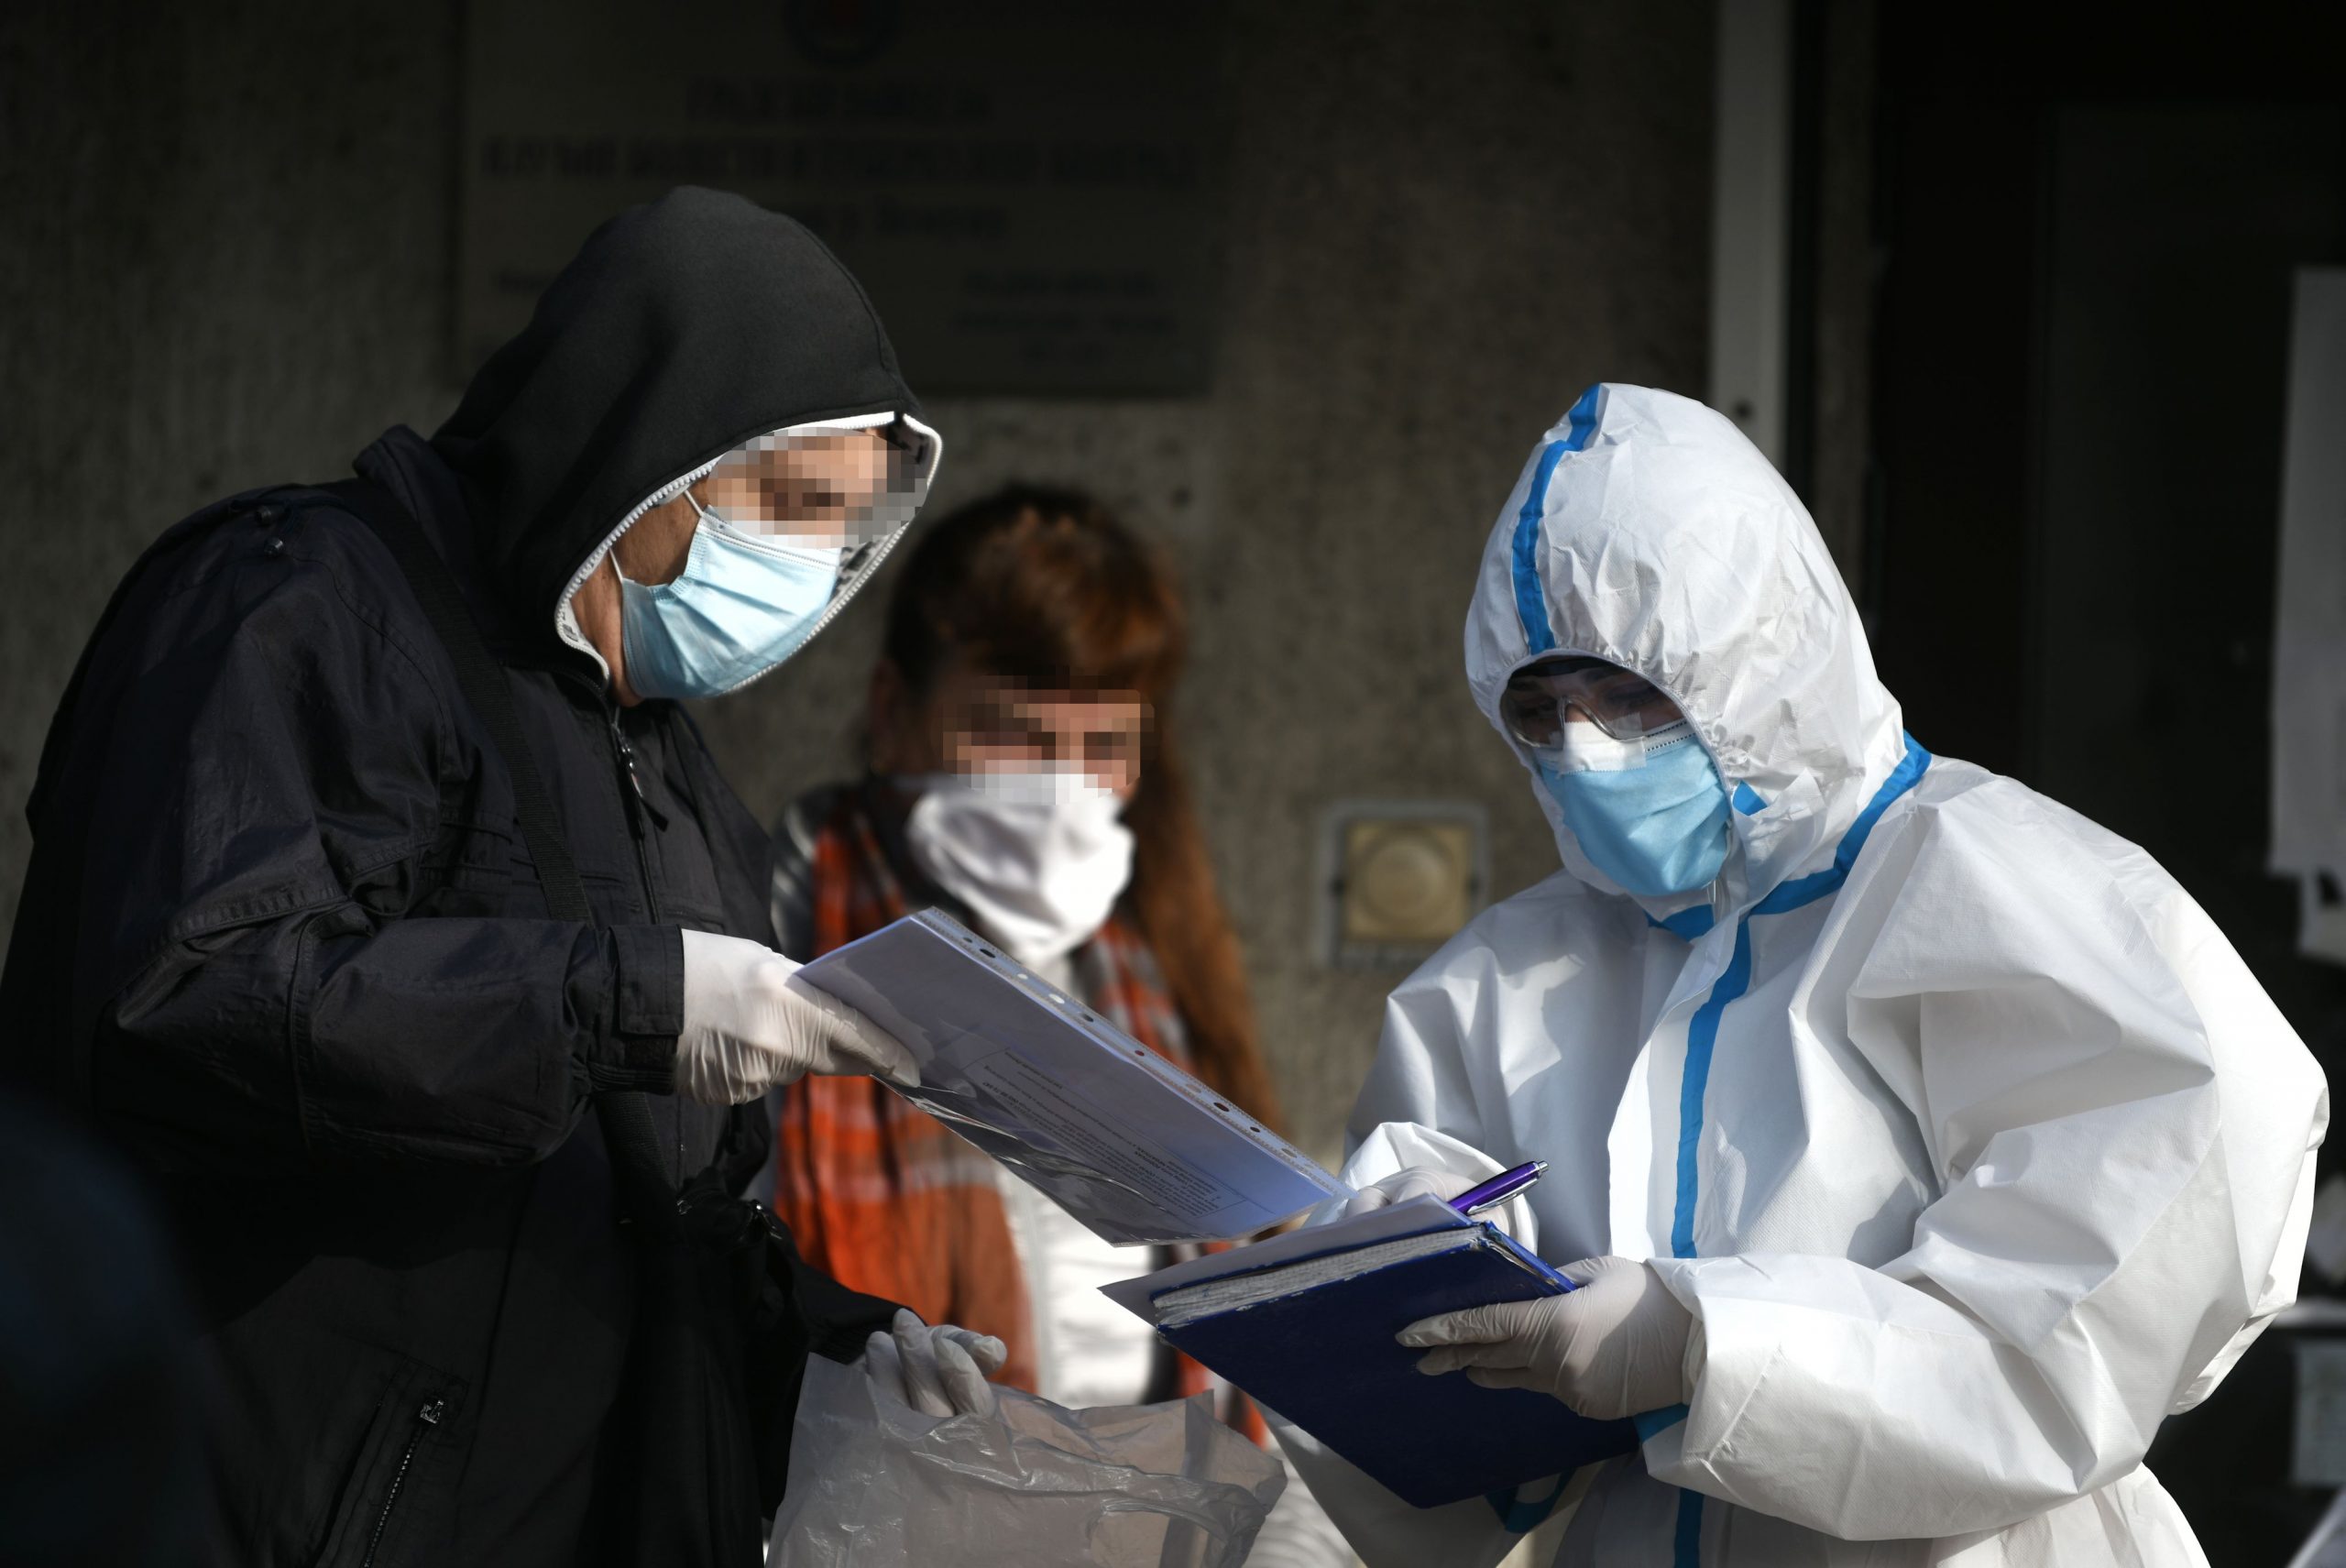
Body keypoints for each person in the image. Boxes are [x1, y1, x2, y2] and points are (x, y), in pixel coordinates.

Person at [0, 186, 1003, 1568]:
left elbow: (650, 1197)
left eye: (843, 527)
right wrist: (630, 1000)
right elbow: (190, 996)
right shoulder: (299, 604)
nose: (811, 564)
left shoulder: (647, 731)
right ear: (642, 445)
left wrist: (836, 1335)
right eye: (785, 503)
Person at [1277, 383, 2329, 1567]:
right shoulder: (1512, 975)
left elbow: (2088, 1327)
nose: (1584, 747)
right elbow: (1427, 1340)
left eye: (1630, 693)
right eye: (1542, 708)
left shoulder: (2017, 899)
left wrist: (1703, 1345)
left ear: (1760, 658)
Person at [762, 484, 1352, 1566]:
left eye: (1100, 746)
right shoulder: (772, 943)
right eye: (1012, 734)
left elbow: (1257, 1283)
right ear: (894, 712)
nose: (1060, 793)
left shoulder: (1153, 958)